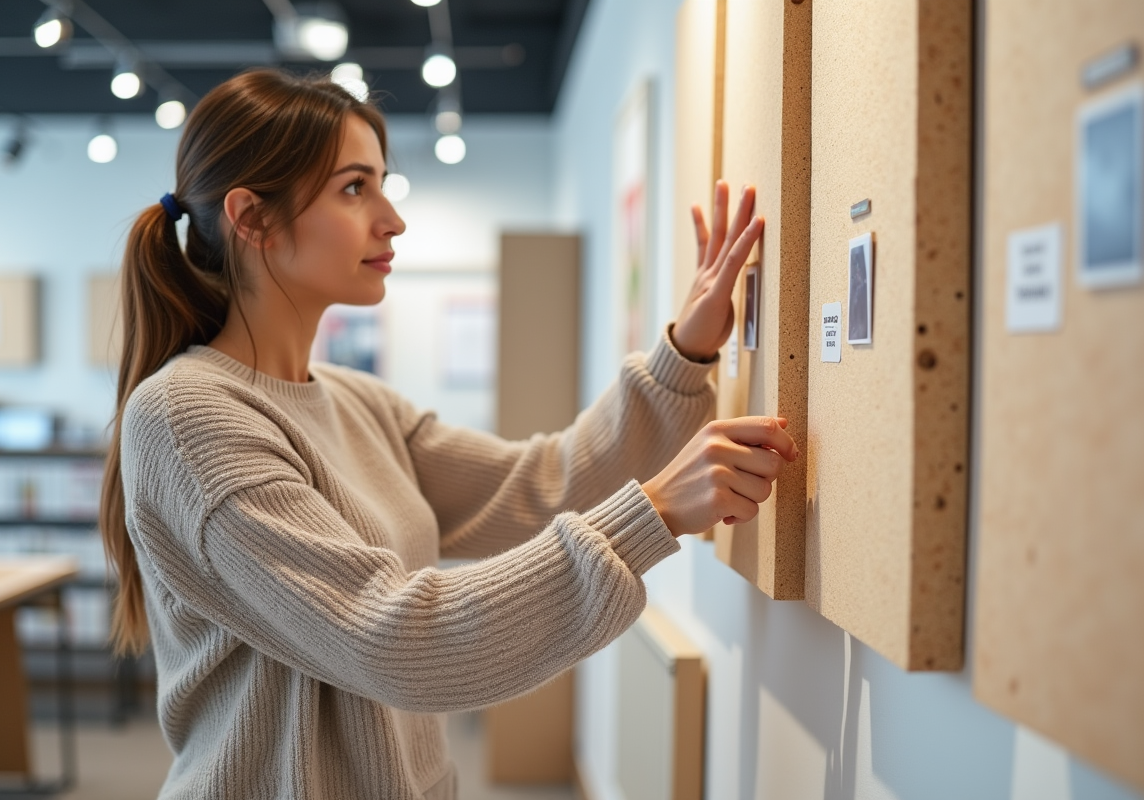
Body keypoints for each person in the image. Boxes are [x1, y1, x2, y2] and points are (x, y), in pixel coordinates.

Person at [101, 69, 797, 800]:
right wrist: (652, 514)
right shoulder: (185, 417)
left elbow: (542, 486)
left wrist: (683, 352)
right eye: (353, 188)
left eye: (381, 184)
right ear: (252, 218)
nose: (391, 219)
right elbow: (396, 641)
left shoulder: (354, 399)